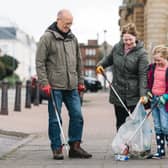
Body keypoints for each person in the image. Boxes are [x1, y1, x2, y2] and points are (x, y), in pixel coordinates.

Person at [36, 9, 92, 160]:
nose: (69, 26)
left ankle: (75, 147)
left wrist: (80, 81)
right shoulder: (47, 38)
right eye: (67, 23)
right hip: (54, 86)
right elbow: (40, 63)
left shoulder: (72, 38)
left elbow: (79, 61)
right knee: (55, 119)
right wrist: (44, 82)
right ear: (58, 20)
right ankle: (57, 148)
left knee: (77, 116)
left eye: (71, 23)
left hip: (72, 86)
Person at [96, 23, 149, 130]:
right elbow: (108, 59)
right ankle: (121, 145)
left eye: (130, 39)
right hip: (118, 92)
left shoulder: (142, 53)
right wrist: (100, 65)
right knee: (120, 122)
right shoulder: (117, 48)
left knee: (136, 123)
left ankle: (139, 145)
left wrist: (143, 94)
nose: (128, 42)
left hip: (134, 95)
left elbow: (143, 75)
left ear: (135, 37)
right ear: (122, 38)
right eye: (125, 40)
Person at [146, 45, 168, 159]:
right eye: (155, 60)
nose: (157, 62)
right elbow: (148, 82)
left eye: (159, 60)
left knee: (165, 126)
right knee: (157, 126)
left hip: (164, 102)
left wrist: (166, 96)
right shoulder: (152, 68)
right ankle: (160, 150)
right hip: (154, 99)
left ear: (165, 57)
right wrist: (148, 92)